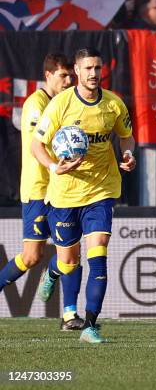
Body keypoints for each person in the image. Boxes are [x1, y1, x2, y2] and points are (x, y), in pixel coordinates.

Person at [31, 48, 136, 344]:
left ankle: (90, 325)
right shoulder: (60, 105)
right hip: (64, 194)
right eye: (88, 68)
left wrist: (127, 153)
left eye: (97, 68)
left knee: (99, 250)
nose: (93, 73)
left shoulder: (114, 104)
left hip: (102, 189)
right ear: (77, 70)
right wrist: (54, 167)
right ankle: (53, 272)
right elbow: (36, 145)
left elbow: (126, 135)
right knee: (68, 260)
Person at [0, 53, 86, 331]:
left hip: (63, 190)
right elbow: (44, 145)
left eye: (70, 76)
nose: (68, 80)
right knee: (31, 257)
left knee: (70, 253)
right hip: (38, 189)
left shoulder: (64, 104)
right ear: (47, 75)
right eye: (63, 75)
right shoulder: (35, 104)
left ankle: (70, 315)